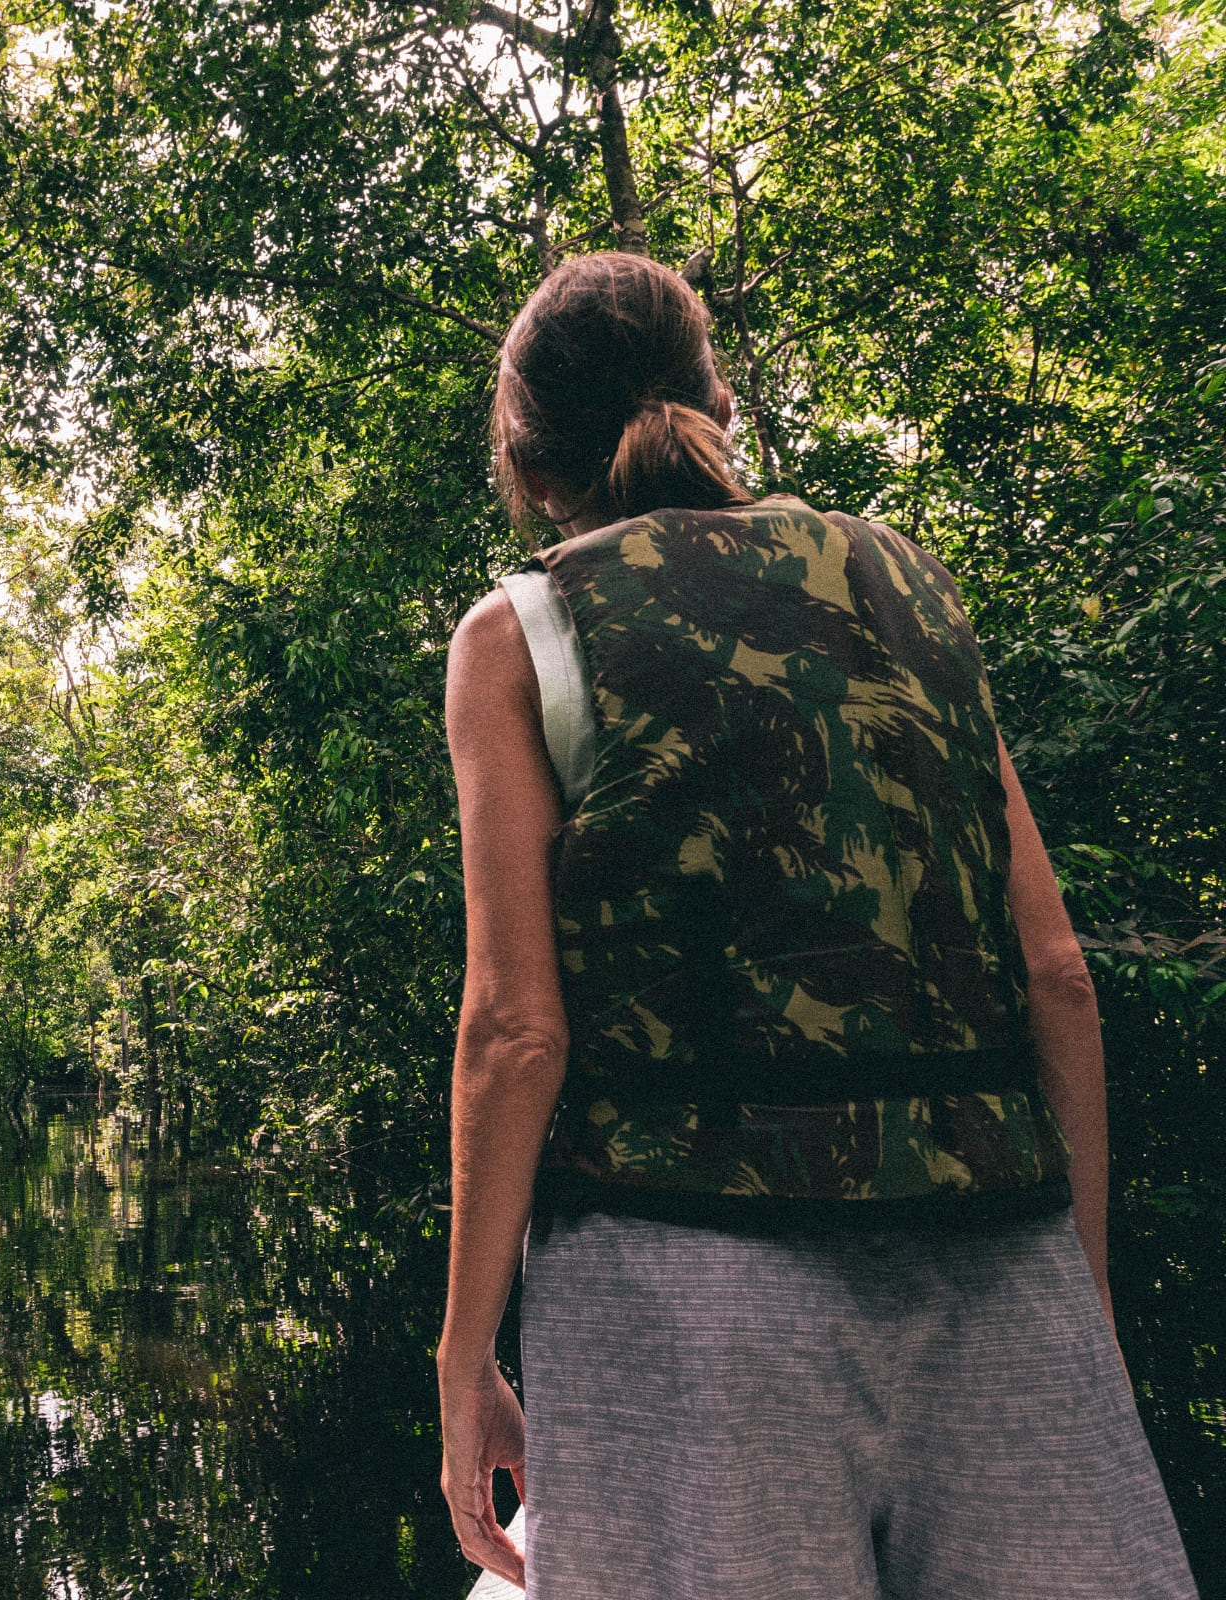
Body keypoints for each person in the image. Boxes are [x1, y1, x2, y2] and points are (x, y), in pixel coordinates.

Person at [435, 251, 1198, 1600]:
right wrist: (1078, 1304)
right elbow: (1057, 976)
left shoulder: (525, 632)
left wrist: (464, 1360)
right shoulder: (908, 585)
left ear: (529, 463)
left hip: (682, 1285)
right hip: (1000, 1255)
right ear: (719, 400)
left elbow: (515, 1035)